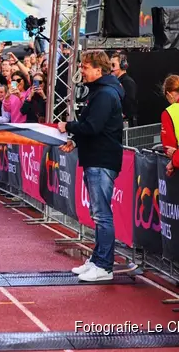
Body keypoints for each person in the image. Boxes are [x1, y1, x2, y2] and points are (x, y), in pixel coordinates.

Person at [58, 50, 124, 282]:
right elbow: (93, 126)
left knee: (102, 215)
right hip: (96, 157)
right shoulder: (102, 92)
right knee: (98, 214)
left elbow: (93, 126)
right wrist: (75, 140)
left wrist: (68, 127)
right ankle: (98, 260)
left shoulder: (105, 94)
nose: (82, 72)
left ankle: (104, 266)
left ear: (99, 69)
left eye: (85, 67)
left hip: (101, 159)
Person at [111, 52, 137, 127]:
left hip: (124, 124)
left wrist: (121, 115)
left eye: (113, 65)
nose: (111, 68)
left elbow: (130, 102)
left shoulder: (127, 82)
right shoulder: (116, 81)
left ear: (122, 65)